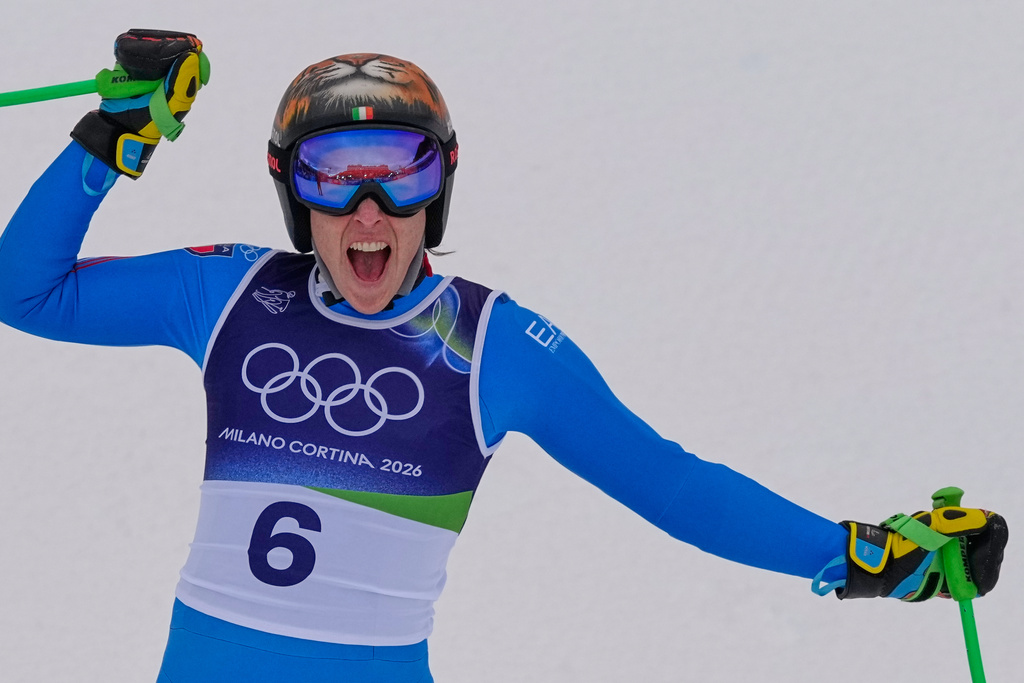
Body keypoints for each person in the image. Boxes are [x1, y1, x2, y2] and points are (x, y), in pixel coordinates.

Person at [0, 30, 1008, 683]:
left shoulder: (492, 344)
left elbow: (671, 483)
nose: (368, 211)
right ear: (289, 188)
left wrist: (867, 556)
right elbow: (25, 290)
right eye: (334, 177)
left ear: (439, 187)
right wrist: (109, 139)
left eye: (400, 174)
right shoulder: (229, 293)